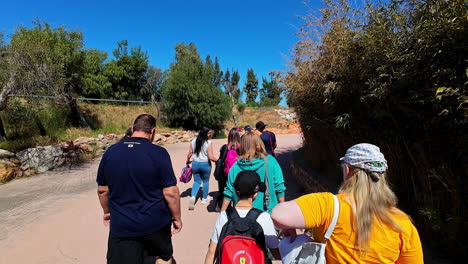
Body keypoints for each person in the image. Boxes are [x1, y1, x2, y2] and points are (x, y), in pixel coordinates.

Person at [271, 143, 424, 264]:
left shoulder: (328, 204)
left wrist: (293, 225)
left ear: (347, 170)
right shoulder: (402, 223)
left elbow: (278, 215)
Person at [96, 114, 182, 264]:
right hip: (155, 222)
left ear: (132, 128)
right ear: (153, 131)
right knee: (163, 256)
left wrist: (107, 212)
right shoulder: (159, 153)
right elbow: (171, 193)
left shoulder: (111, 152)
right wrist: (177, 218)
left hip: (122, 224)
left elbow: (103, 190)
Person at [204, 171, 281, 264]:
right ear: (255, 194)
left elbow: (211, 252)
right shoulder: (263, 217)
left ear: (236, 191)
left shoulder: (224, 216)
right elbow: (274, 250)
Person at [221, 131, 286, 213]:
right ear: (259, 143)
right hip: (267, 213)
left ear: (242, 146)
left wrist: (222, 213)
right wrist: (282, 208)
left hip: (242, 215)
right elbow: (279, 187)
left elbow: (228, 192)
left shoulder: (236, 166)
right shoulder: (270, 161)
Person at [186, 127, 218, 210]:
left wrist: (187, 161)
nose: (210, 134)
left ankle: (193, 197)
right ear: (205, 133)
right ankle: (204, 199)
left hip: (195, 163)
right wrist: (219, 161)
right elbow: (211, 157)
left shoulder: (193, 141)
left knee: (196, 181)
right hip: (205, 164)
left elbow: (190, 153)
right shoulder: (208, 143)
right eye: (209, 133)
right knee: (205, 181)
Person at [215, 128, 241, 211]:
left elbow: (220, 159)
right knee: (238, 190)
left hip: (225, 173)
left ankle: (220, 207)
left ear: (229, 136)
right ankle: (237, 207)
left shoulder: (224, 147)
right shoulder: (241, 148)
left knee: (223, 189)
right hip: (238, 173)